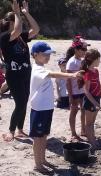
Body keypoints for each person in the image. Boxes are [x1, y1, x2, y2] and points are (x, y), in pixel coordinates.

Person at [30, 41, 83, 174]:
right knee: (38, 138)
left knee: (44, 136)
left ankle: (42, 160)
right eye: (45, 54)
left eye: (49, 54)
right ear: (35, 55)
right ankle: (38, 164)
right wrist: (72, 75)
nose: (48, 57)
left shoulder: (42, 67)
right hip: (39, 109)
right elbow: (53, 74)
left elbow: (51, 74)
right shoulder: (37, 69)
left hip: (47, 108)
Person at [0, 0, 40, 142]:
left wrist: (25, 13)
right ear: (11, 22)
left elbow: (35, 29)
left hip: (25, 74)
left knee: (24, 102)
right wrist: (17, 13)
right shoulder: (4, 37)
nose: (20, 23)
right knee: (21, 102)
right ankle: (11, 131)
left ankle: (20, 130)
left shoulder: (21, 38)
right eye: (17, 20)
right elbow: (16, 30)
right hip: (14, 76)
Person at [79, 49, 101, 150]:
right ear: (94, 60)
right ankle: (92, 142)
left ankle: (92, 138)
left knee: (92, 122)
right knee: (89, 123)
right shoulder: (88, 73)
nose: (100, 61)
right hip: (90, 100)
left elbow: (98, 86)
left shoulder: (96, 71)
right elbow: (86, 91)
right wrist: (94, 102)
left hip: (96, 98)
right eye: (99, 59)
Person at [66, 36, 90, 142]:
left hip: (82, 91)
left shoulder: (82, 61)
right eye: (83, 49)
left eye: (86, 49)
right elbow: (68, 80)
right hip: (75, 92)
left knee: (83, 110)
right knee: (74, 111)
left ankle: (83, 130)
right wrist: (70, 96)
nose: (85, 51)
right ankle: (73, 132)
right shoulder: (71, 62)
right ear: (76, 50)